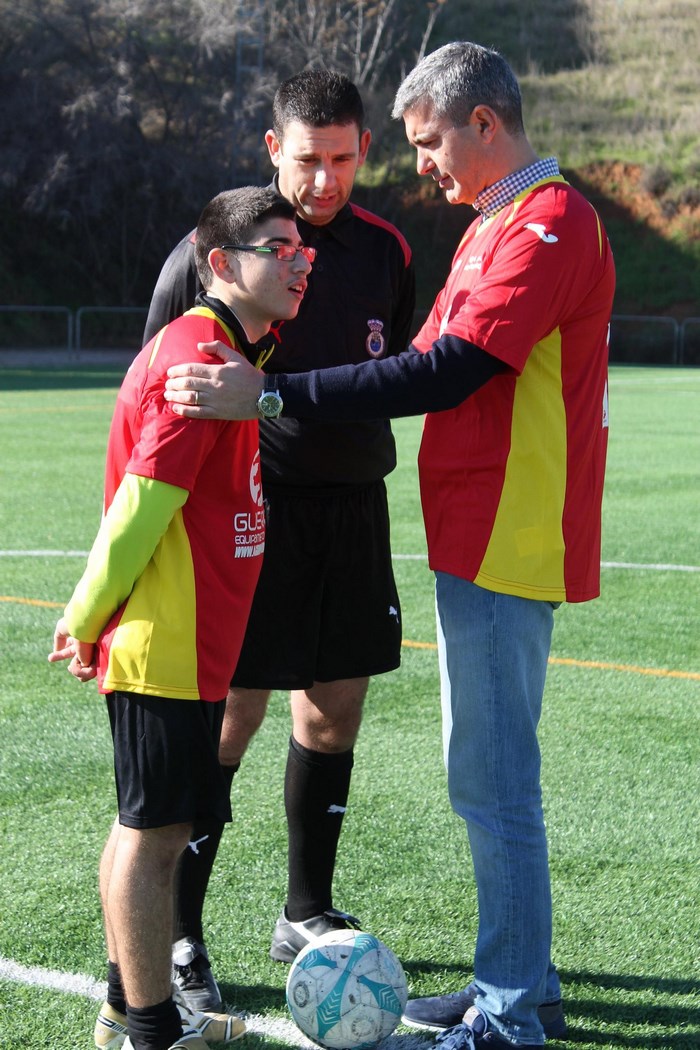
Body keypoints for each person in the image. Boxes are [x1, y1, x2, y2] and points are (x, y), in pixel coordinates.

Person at [163, 41, 616, 1050]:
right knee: (485, 772)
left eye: (426, 142)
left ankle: (508, 1013)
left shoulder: (546, 222)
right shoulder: (492, 222)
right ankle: (522, 982)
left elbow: (442, 370)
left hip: (512, 533)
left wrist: (271, 391)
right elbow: (417, 362)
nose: (418, 165)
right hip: (476, 528)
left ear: (483, 124)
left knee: (492, 780)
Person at [143, 70, 415, 1011]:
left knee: (334, 706)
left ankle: (306, 908)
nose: (327, 179)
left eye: (344, 159)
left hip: (353, 511)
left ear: (364, 152)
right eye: (309, 159)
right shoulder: (209, 251)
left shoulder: (387, 250)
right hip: (248, 515)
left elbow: (403, 374)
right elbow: (158, 385)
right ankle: (180, 933)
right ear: (273, 148)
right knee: (230, 721)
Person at [49, 186, 313, 1050]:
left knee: (153, 825)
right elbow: (143, 499)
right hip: (164, 637)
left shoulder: (240, 351)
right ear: (222, 264)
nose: (300, 261)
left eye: (303, 248)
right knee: (154, 831)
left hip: (197, 640)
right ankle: (152, 1030)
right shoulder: (197, 355)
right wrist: (88, 616)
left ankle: (130, 1011)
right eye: (280, 248)